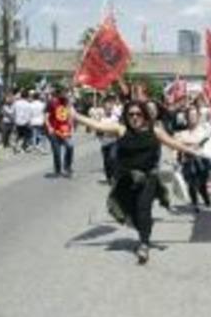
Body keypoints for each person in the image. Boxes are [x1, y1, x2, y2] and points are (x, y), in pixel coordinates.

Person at [74, 100, 199, 264]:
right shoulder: (121, 130)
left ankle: (144, 244)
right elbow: (98, 126)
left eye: (138, 114)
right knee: (131, 212)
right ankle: (144, 227)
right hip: (126, 180)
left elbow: (173, 143)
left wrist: (193, 151)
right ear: (126, 116)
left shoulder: (155, 131)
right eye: (131, 114)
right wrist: (75, 116)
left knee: (143, 209)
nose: (134, 117)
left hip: (148, 178)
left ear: (144, 115)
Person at [175, 104, 211, 213]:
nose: (192, 118)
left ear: (198, 117)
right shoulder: (182, 132)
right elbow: (177, 145)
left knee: (202, 184)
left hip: (202, 162)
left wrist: (189, 143)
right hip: (188, 161)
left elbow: (208, 141)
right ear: (186, 118)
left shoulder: (204, 130)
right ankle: (195, 203)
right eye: (190, 116)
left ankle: (206, 198)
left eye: (194, 116)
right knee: (191, 185)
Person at [45, 86, 74, 178]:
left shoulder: (67, 103)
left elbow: (69, 116)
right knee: (57, 152)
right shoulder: (52, 102)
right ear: (59, 93)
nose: (65, 94)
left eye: (66, 92)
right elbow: (46, 116)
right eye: (64, 92)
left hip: (65, 130)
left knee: (70, 147)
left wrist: (71, 127)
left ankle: (67, 167)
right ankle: (57, 170)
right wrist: (49, 127)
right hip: (55, 131)